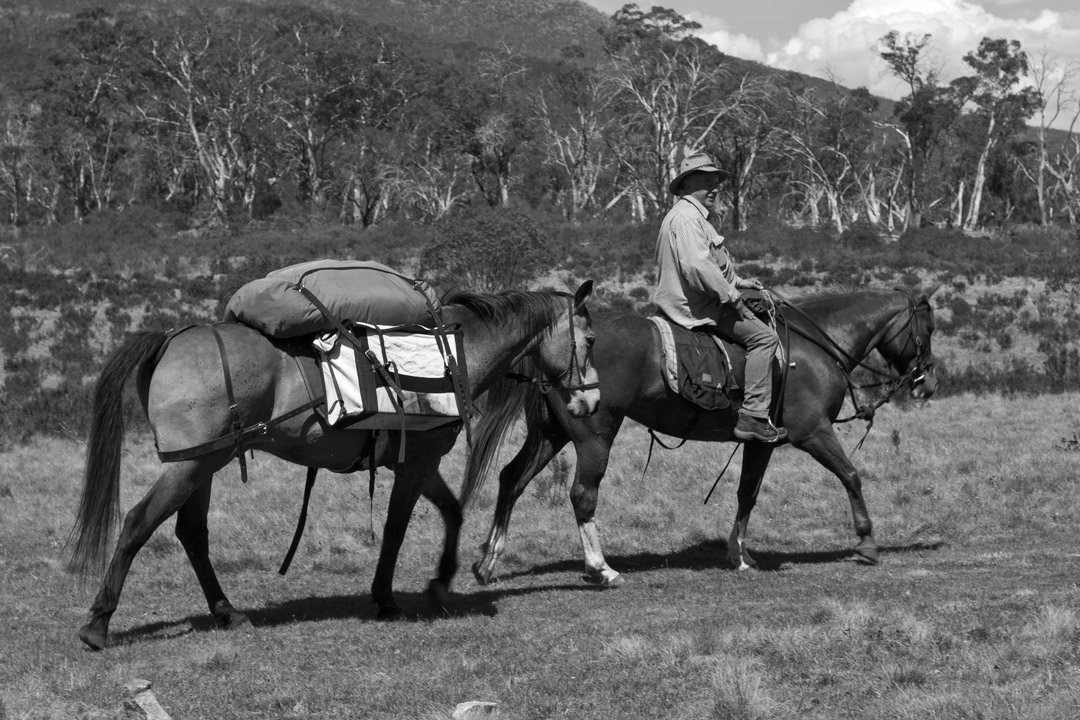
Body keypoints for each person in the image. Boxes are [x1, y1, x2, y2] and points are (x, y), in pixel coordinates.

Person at [653, 152, 787, 443]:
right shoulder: (688, 218)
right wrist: (733, 295)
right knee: (765, 339)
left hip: (698, 299)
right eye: (706, 181)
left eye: (716, 181)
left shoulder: (689, 216)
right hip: (698, 308)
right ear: (687, 184)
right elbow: (697, 267)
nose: (714, 187)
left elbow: (706, 261)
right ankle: (752, 415)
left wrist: (738, 281)